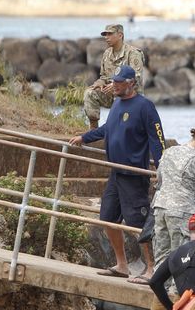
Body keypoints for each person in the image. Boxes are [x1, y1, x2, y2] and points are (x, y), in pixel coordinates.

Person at [69, 65, 165, 284]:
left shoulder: (145, 107)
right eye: (114, 81)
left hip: (133, 174)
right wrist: (85, 137)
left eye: (119, 82)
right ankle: (122, 265)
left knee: (137, 224)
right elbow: (107, 129)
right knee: (108, 219)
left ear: (131, 83)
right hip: (115, 172)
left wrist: (162, 168)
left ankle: (151, 268)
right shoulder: (116, 104)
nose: (114, 85)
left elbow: (157, 139)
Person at [151, 126, 195, 269]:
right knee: (180, 255)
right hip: (181, 211)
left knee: (161, 254)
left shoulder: (169, 152)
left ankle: (160, 287)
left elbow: (159, 178)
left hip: (160, 207)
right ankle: (176, 290)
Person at [83, 24, 144, 131]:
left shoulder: (133, 53)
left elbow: (136, 79)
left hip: (130, 96)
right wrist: (100, 83)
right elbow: (104, 77)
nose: (106, 37)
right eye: (105, 34)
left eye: (110, 34)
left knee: (119, 126)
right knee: (90, 93)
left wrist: (116, 85)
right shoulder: (107, 54)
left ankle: (118, 129)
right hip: (113, 93)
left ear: (120, 35)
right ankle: (93, 128)